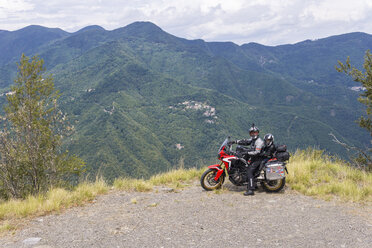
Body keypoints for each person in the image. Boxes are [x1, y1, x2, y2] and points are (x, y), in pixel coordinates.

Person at [233, 124, 264, 196]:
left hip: (258, 159)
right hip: (254, 158)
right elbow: (246, 141)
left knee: (249, 171)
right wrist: (235, 141)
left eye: (254, 132)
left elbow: (257, 152)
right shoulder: (253, 140)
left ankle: (251, 190)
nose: (253, 134)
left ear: (257, 133)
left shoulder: (259, 142)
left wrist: (246, 152)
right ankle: (254, 183)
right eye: (251, 132)